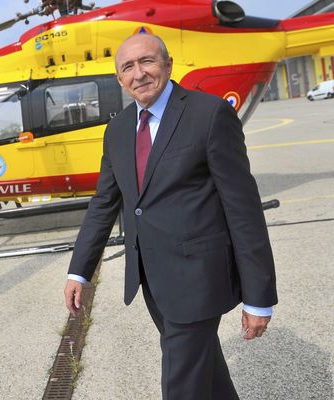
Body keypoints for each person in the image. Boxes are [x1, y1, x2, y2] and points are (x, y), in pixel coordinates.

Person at [63, 33, 277, 400]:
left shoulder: (208, 115)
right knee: (205, 373)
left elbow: (243, 209)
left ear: (168, 65)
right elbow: (103, 204)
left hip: (199, 278)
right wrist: (78, 270)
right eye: (127, 67)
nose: (139, 73)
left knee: (181, 386)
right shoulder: (117, 130)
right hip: (152, 281)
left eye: (147, 61)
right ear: (119, 79)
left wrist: (259, 297)